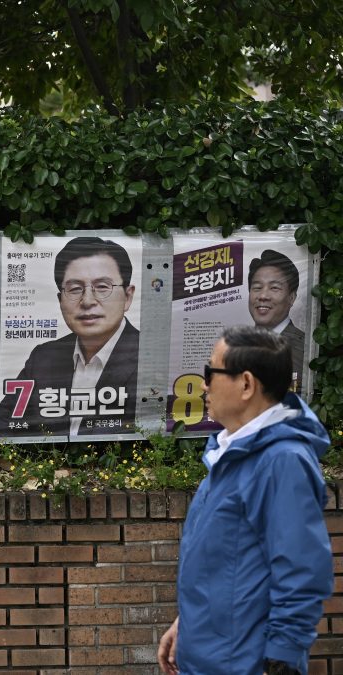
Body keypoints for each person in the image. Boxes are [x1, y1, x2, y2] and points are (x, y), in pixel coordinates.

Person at [158, 325, 332, 675]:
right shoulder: (231, 452)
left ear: (247, 384)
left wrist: (280, 661)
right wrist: (188, 625)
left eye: (211, 372)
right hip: (207, 655)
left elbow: (301, 571)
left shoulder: (282, 461)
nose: (204, 384)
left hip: (242, 664)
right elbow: (225, 562)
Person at [0, 236, 139, 435]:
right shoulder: (43, 357)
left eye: (102, 287)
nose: (88, 301)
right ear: (60, 300)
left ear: (127, 297)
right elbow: (4, 421)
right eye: (74, 289)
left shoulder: (149, 357)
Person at [248, 249, 304, 390]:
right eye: (257, 287)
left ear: (291, 298)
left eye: (274, 288)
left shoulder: (304, 349)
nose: (263, 296)